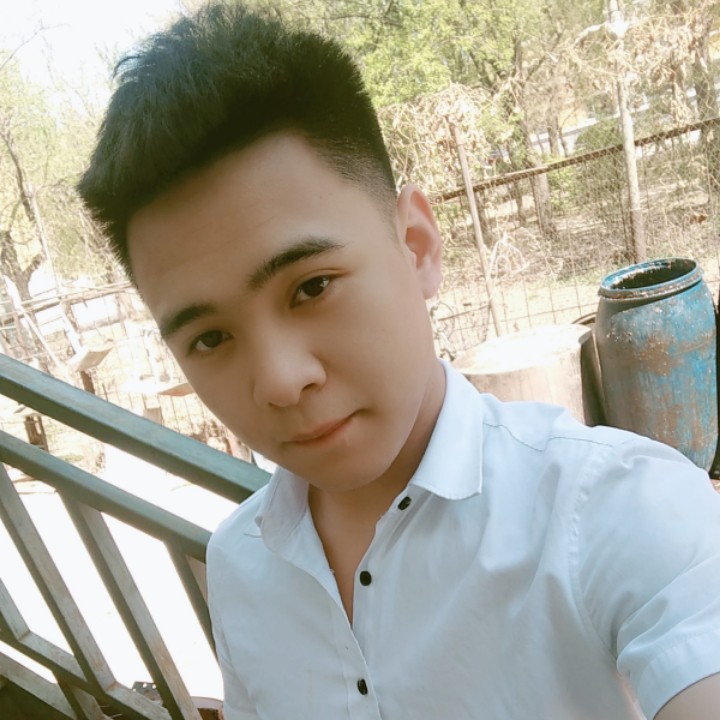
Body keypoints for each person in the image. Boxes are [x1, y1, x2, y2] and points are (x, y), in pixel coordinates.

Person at [77, 3, 720, 718]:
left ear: (416, 245)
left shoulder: (618, 509)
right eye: (210, 339)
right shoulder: (239, 565)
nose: (282, 380)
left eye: (311, 287)